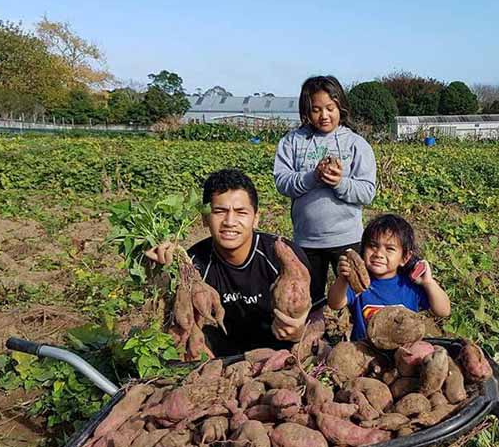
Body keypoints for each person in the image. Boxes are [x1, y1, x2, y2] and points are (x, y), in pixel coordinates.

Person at [145, 168, 316, 356]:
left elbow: (315, 314)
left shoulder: (283, 257)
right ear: (204, 218)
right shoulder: (191, 264)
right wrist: (159, 272)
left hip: (281, 355)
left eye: (241, 212)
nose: (230, 221)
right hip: (220, 358)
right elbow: (172, 318)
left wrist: (298, 330)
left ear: (256, 218)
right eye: (220, 211)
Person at [273, 75, 377, 308]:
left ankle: (355, 339)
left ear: (341, 107)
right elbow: (282, 182)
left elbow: (367, 192)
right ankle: (314, 340)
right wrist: (312, 177)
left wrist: (339, 182)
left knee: (355, 296)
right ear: (306, 111)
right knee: (311, 300)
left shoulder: (356, 144)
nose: (324, 115)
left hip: (348, 238)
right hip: (307, 240)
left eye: (330, 108)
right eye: (316, 109)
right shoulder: (292, 142)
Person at [327, 214, 451, 341]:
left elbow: (444, 311)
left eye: (390, 249)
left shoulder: (410, 286)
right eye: (373, 246)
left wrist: (428, 282)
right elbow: (334, 304)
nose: (379, 254)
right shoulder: (359, 283)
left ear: (405, 258)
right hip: (363, 350)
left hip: (403, 350)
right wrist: (343, 279)